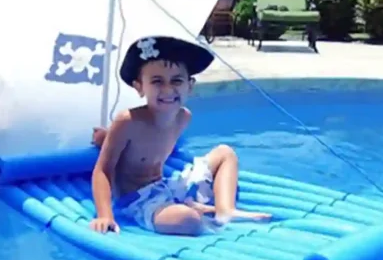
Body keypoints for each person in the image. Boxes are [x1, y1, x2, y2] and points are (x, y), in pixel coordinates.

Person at [89, 36, 271, 235]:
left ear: (189, 86)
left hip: (167, 187)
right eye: (157, 81)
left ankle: (225, 211)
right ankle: (194, 209)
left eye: (176, 80)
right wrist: (105, 214)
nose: (168, 89)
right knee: (188, 220)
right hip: (139, 201)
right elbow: (103, 171)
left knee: (225, 152)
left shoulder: (183, 117)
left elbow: (152, 145)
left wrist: (106, 138)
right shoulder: (127, 122)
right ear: (140, 87)